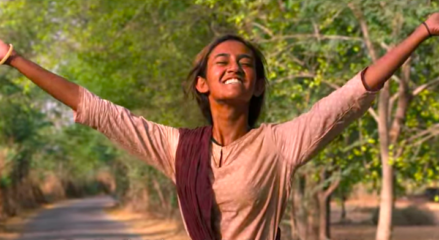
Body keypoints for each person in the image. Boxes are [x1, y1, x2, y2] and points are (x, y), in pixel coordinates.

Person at [0, 12, 438, 240]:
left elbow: (352, 95)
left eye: (246, 64)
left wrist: (422, 31)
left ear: (258, 83)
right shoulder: (176, 148)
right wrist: (13, 59)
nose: (235, 68)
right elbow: (95, 108)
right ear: (202, 83)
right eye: (222, 62)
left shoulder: (281, 144)